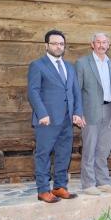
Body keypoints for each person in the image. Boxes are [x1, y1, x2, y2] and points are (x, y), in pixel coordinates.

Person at [27, 30, 84, 203]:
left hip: (67, 120)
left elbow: (75, 92)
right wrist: (42, 113)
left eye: (61, 44)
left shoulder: (69, 67)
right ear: (46, 45)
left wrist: (77, 112)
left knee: (64, 154)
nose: (58, 46)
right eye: (54, 43)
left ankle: (60, 187)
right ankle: (43, 190)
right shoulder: (38, 65)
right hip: (47, 120)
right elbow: (33, 92)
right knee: (43, 155)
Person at [74, 32, 111, 196]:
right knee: (90, 148)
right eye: (98, 42)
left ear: (108, 45)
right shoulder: (83, 63)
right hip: (90, 110)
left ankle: (103, 181)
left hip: (109, 110)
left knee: (103, 149)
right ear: (92, 44)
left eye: (104, 42)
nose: (101, 45)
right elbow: (76, 89)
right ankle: (88, 183)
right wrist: (78, 112)